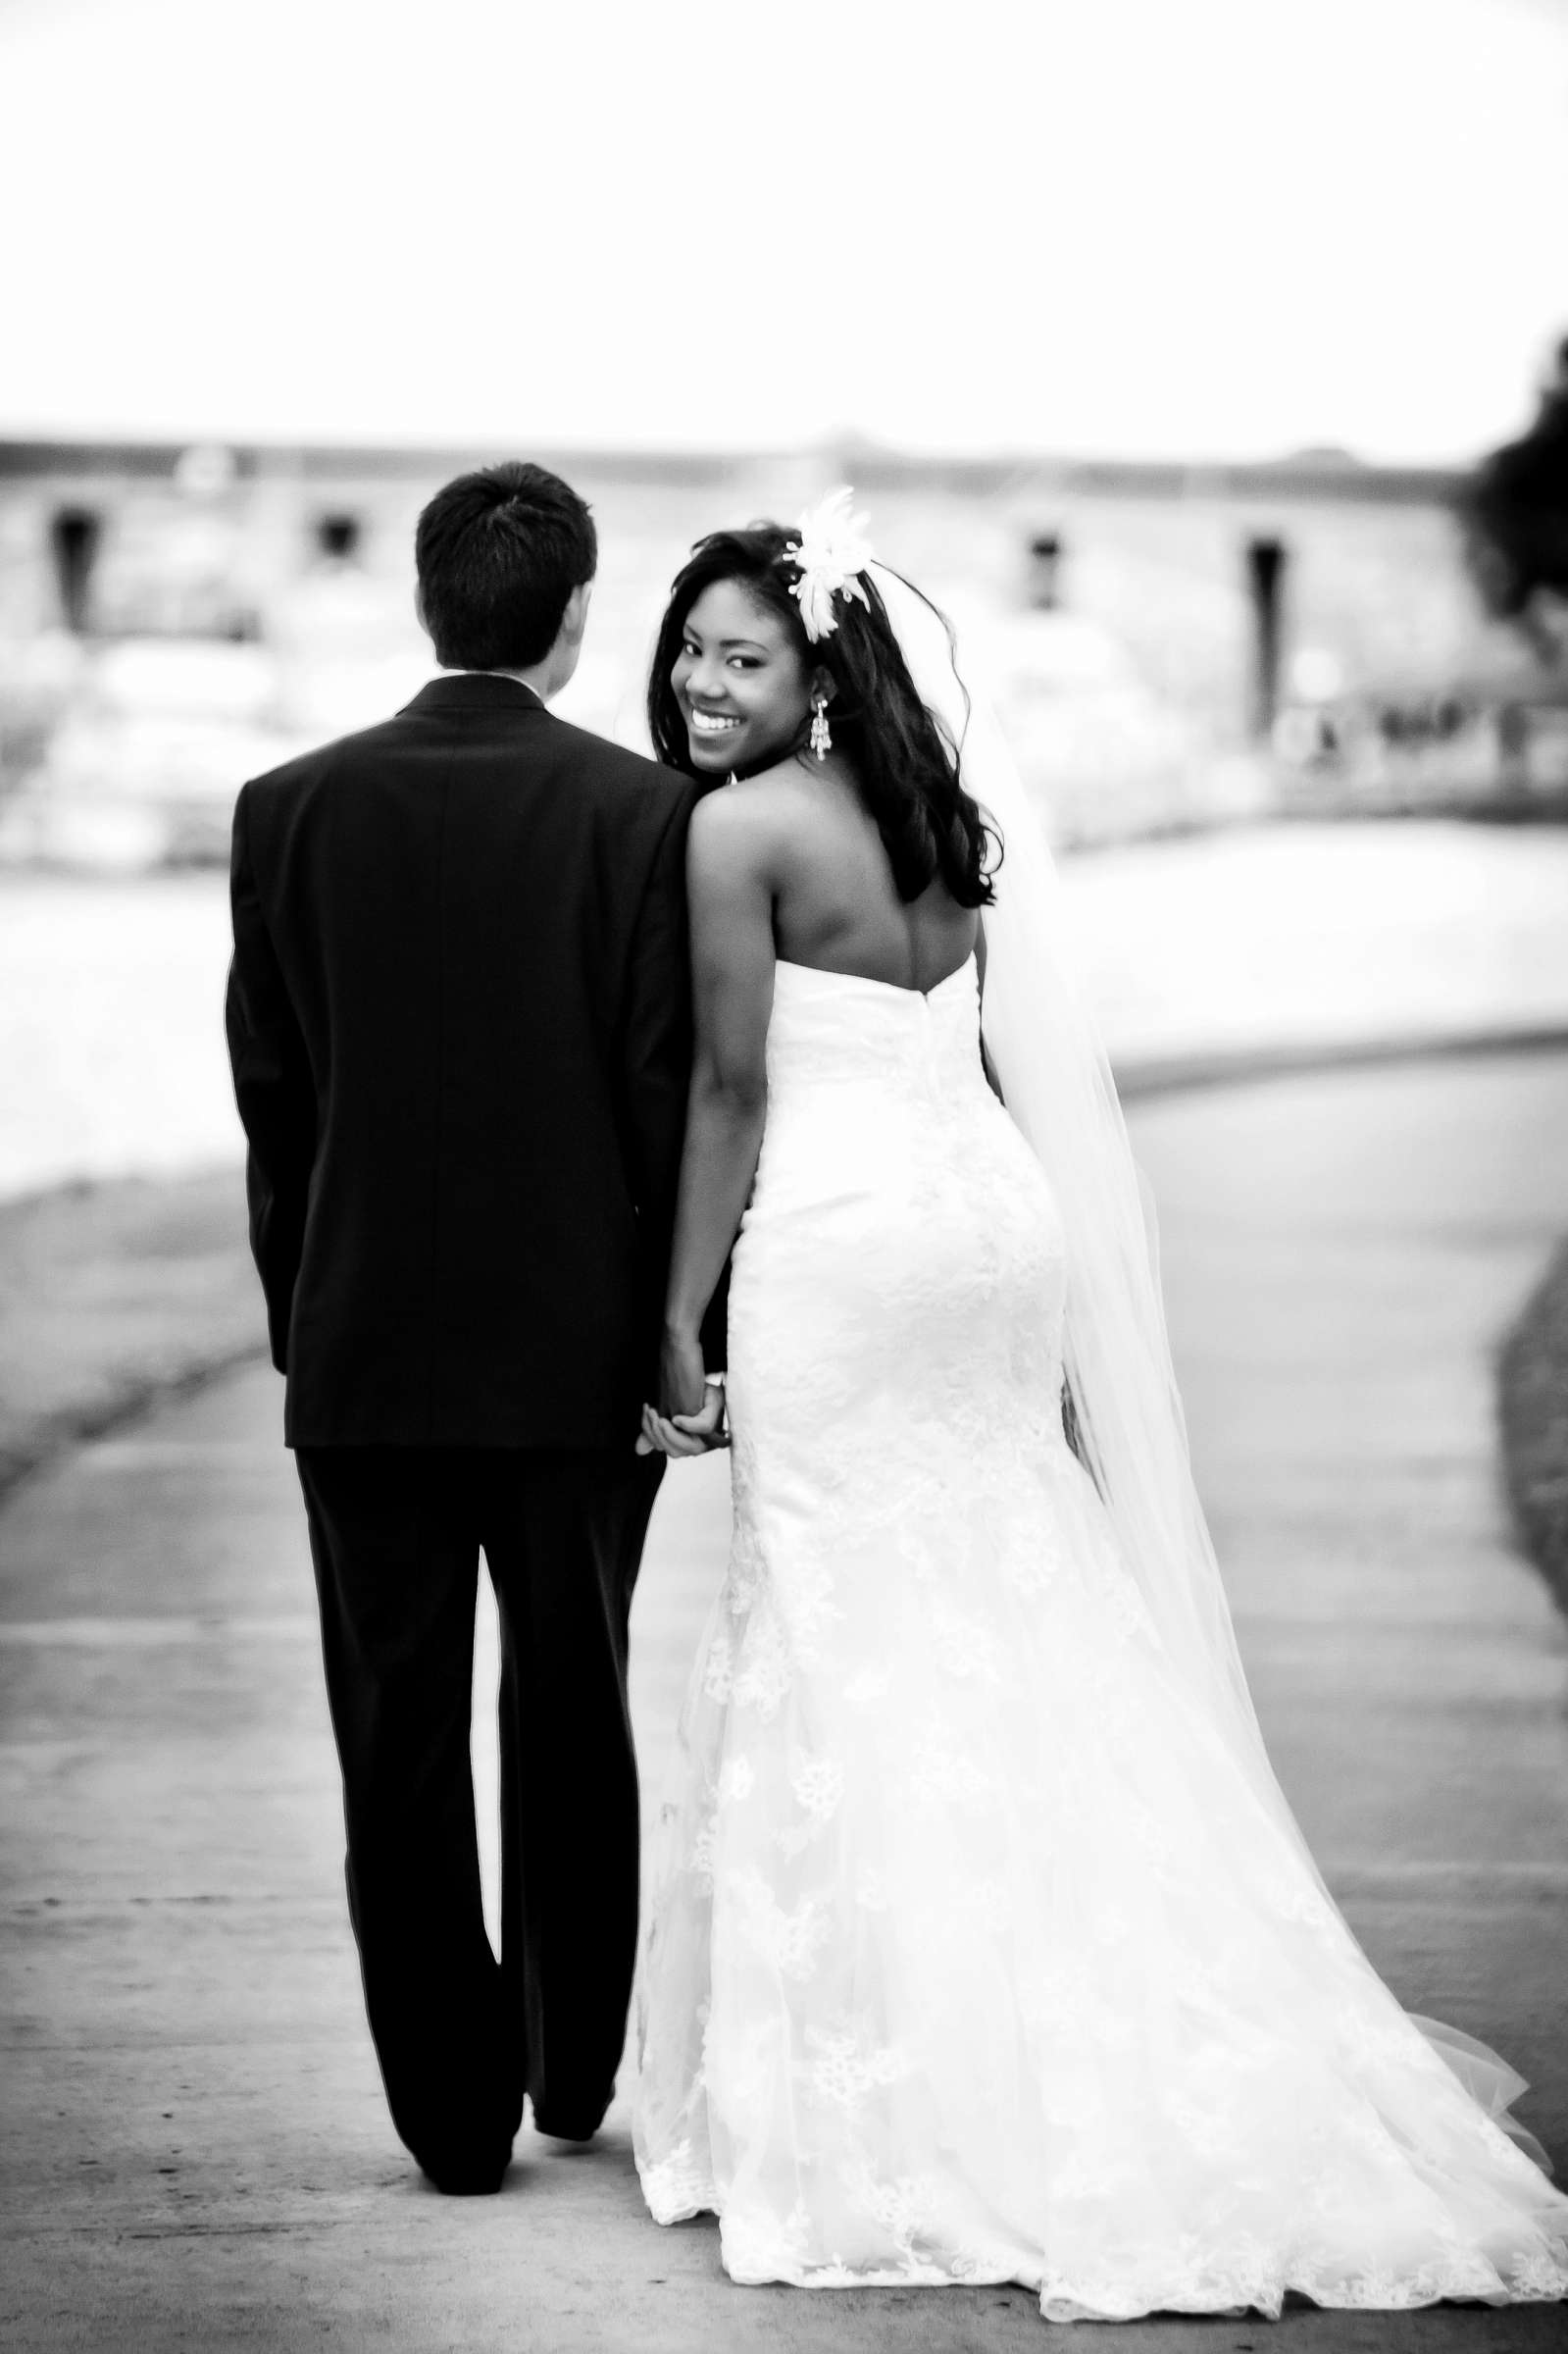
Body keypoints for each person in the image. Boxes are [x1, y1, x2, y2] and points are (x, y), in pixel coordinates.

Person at [630, 492, 1568, 2318]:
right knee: (1010, 1596)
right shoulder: (934, 824)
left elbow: (733, 1092)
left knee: (838, 1626)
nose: (701, 683)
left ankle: (882, 2106)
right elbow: (980, 1052)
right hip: (992, 1225)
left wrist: (678, 1317)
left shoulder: (737, 835)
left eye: (742, 654)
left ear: (820, 674)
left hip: (849, 1249)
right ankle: (1121, 2001)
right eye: (690, 651)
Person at [225, 461, 721, 2196]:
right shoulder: (642, 818)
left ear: (427, 605)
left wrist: (307, 1314)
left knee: (397, 1736)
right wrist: (680, 1334)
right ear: (578, 620)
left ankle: (450, 2117)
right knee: (577, 1713)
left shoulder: (285, 810)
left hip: (363, 1355)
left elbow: (273, 1105)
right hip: (575, 1361)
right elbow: (665, 1097)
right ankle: (567, 2068)